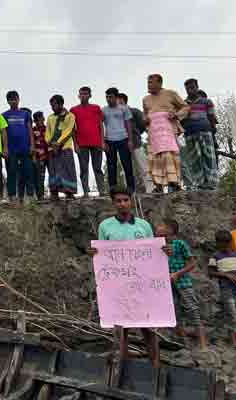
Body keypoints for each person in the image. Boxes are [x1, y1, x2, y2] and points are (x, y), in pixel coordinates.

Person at [90, 186, 170, 368]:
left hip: (143, 285)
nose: (122, 204)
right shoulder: (105, 226)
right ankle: (123, 369)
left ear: (131, 201)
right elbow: (102, 254)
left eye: (125, 200)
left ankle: (155, 368)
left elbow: (153, 253)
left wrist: (164, 251)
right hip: (118, 286)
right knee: (122, 329)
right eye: (118, 201)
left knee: (149, 327)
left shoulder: (144, 225)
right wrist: (94, 253)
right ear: (113, 203)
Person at [156, 220, 207, 349]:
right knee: (175, 314)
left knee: (193, 311)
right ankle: (185, 344)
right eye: (159, 235)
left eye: (164, 235)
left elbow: (192, 263)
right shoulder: (156, 247)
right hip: (167, 286)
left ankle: (203, 345)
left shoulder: (180, 244)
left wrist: (178, 274)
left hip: (183, 283)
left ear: (172, 233)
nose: (162, 238)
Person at [143, 74, 190, 193]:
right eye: (148, 82)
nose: (148, 85)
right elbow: (145, 115)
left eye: (151, 82)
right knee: (154, 158)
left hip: (168, 129)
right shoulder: (145, 99)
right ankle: (158, 185)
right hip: (153, 132)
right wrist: (146, 120)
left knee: (169, 156)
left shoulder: (170, 94)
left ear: (159, 83)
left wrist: (176, 115)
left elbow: (186, 107)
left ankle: (174, 183)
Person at [182, 79, 218, 191]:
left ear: (197, 87)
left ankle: (211, 182)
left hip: (205, 131)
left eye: (192, 87)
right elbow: (180, 120)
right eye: (187, 88)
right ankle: (199, 183)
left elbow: (212, 118)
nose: (190, 90)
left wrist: (212, 131)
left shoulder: (207, 102)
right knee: (194, 159)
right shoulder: (183, 104)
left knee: (208, 156)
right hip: (189, 133)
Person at [70, 87, 106, 197]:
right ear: (78, 96)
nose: (83, 96)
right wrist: (75, 144)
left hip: (96, 143)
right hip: (81, 144)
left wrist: (102, 141)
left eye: (86, 94)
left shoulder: (96, 108)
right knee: (83, 169)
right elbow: (72, 129)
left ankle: (102, 190)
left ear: (90, 95)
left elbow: (101, 125)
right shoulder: (73, 110)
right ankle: (86, 192)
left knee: (98, 168)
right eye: (81, 94)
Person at [2, 91, 34, 204]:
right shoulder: (4, 115)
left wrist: (32, 145)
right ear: (8, 101)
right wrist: (4, 148)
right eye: (10, 100)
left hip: (25, 148)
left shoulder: (25, 114)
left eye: (14, 99)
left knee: (28, 172)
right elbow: (3, 133)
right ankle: (12, 196)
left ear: (18, 99)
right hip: (11, 150)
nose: (13, 101)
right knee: (11, 172)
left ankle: (29, 196)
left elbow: (30, 130)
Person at [102, 88, 136, 194]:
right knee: (111, 165)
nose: (108, 99)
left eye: (111, 97)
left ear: (116, 97)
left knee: (127, 164)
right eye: (107, 97)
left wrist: (130, 140)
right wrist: (103, 141)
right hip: (109, 140)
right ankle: (113, 188)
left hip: (123, 139)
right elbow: (100, 126)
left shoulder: (124, 108)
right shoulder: (103, 110)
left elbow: (128, 125)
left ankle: (131, 188)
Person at [117, 93, 151, 193]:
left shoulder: (134, 111)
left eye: (119, 101)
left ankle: (150, 188)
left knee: (143, 166)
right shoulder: (116, 115)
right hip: (122, 145)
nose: (118, 103)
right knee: (126, 170)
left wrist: (135, 134)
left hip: (136, 143)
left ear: (124, 101)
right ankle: (130, 191)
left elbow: (142, 124)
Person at [46, 95, 78, 200]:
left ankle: (69, 192)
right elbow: (48, 132)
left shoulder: (70, 116)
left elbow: (69, 131)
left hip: (65, 147)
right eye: (51, 105)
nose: (52, 107)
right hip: (52, 148)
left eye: (54, 105)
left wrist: (59, 143)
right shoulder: (50, 118)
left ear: (61, 104)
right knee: (53, 170)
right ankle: (54, 192)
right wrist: (50, 143)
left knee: (67, 169)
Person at [208, 230, 236, 346]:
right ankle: (233, 340)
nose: (222, 246)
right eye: (219, 244)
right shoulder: (215, 256)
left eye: (224, 243)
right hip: (226, 289)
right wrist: (225, 275)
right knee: (232, 313)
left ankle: (222, 336)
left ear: (229, 242)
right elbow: (210, 272)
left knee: (229, 314)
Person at [31, 111, 50, 201]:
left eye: (41, 119)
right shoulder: (32, 131)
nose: (40, 121)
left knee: (52, 174)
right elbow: (32, 145)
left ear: (44, 119)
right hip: (39, 157)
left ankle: (54, 193)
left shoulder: (48, 129)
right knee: (40, 177)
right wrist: (34, 157)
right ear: (35, 121)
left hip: (49, 156)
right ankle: (40, 195)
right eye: (38, 120)